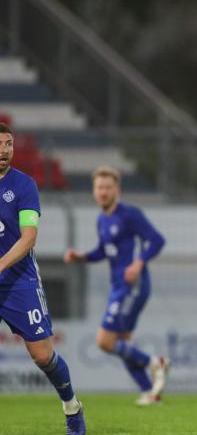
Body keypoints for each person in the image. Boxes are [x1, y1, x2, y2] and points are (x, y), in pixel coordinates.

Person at [0, 123, 85, 435]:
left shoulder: (23, 185)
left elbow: (28, 238)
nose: (4, 150)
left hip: (19, 282)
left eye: (8, 144)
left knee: (43, 356)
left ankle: (71, 407)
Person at [64, 166, 169, 406]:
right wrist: (81, 256)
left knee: (104, 341)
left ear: (117, 189)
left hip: (132, 285)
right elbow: (104, 251)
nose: (103, 192)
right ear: (94, 191)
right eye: (99, 188)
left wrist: (139, 263)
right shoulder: (102, 220)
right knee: (123, 343)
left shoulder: (129, 214)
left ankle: (156, 363)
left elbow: (157, 240)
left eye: (108, 187)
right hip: (118, 286)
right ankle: (151, 392)